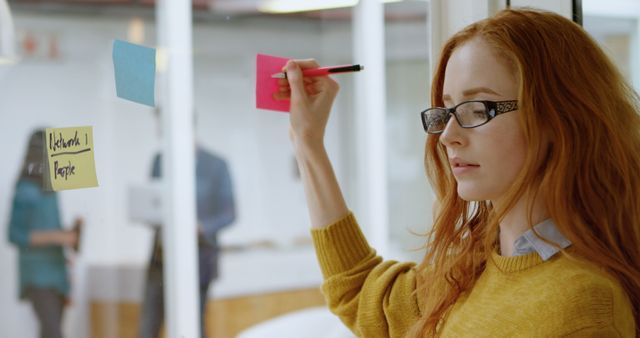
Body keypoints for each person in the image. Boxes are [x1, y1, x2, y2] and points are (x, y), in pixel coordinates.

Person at [277, 8, 640, 337]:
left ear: (557, 118)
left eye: (477, 108)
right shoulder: (473, 266)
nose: (448, 136)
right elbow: (363, 295)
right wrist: (308, 142)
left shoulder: (583, 307)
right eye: (447, 110)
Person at [139, 144, 236, 338]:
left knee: (193, 324)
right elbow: (152, 203)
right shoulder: (160, 160)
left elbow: (229, 213)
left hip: (199, 260)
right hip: (160, 259)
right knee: (148, 326)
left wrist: (200, 226)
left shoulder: (216, 164)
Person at [7, 129, 82, 338]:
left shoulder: (52, 190)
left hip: (57, 274)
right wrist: (59, 237)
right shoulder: (25, 190)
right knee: (54, 333)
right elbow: (15, 235)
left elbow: (52, 228)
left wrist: (69, 235)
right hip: (38, 277)